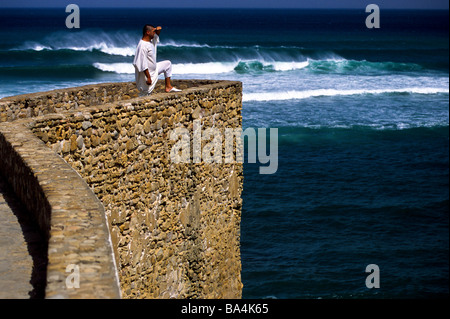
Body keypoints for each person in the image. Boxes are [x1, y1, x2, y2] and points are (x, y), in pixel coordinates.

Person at [133, 24, 181, 96]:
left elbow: (156, 37)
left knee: (168, 64)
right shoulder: (143, 45)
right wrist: (148, 77)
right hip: (148, 74)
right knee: (145, 93)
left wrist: (157, 30)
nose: (154, 33)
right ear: (148, 32)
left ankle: (168, 87)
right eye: (153, 31)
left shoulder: (150, 42)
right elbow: (142, 63)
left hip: (154, 70)